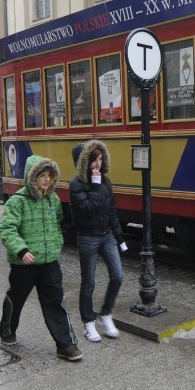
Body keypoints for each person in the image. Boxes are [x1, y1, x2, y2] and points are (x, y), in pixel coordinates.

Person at [0, 154, 82, 361]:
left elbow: (57, 222)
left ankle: (65, 344)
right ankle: (7, 329)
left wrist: (55, 244)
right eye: (41, 175)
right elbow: (7, 229)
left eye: (49, 175)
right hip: (24, 265)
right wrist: (22, 250)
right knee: (16, 299)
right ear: (31, 176)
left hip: (50, 263)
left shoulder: (52, 199)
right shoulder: (17, 201)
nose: (46, 179)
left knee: (55, 302)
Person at [69, 141, 127, 343]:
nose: (98, 164)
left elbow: (111, 211)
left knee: (118, 276)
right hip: (87, 237)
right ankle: (88, 323)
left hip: (107, 235)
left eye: (100, 159)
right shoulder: (76, 184)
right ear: (84, 162)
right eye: (94, 160)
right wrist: (94, 184)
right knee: (89, 283)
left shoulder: (105, 181)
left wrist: (119, 236)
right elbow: (87, 209)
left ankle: (105, 314)